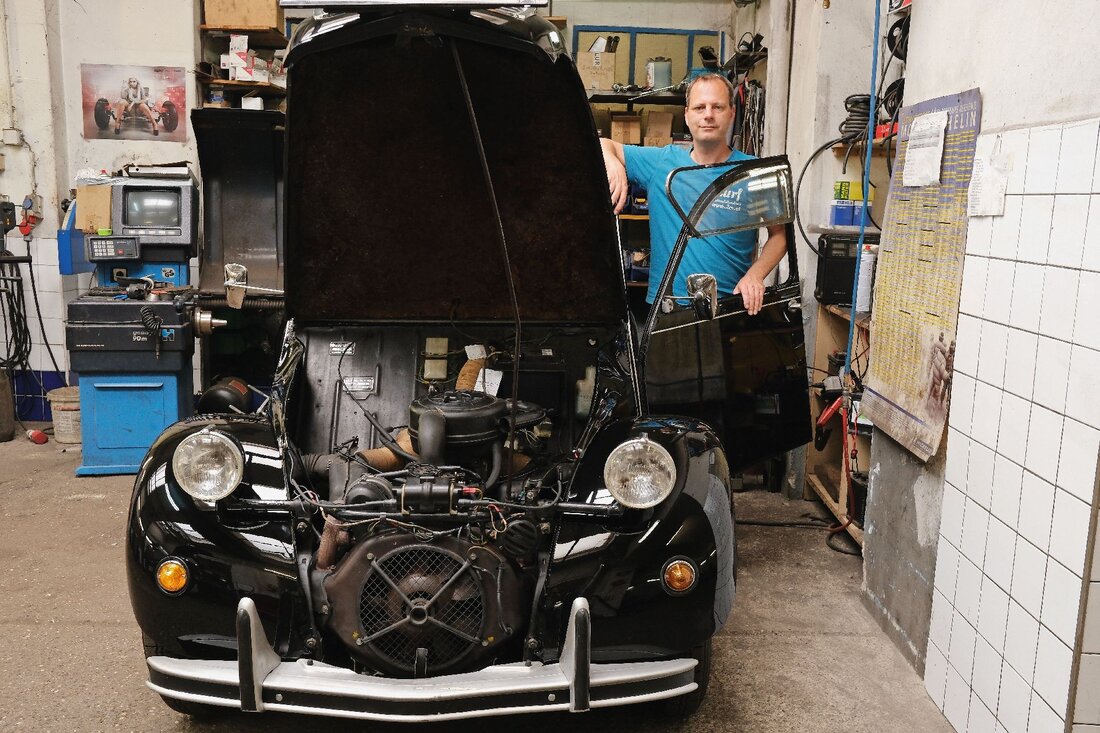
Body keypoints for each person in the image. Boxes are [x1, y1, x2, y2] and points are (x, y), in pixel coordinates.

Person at [600, 73, 786, 315]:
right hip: (666, 308)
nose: (708, 115)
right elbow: (604, 143)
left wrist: (755, 276)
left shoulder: (756, 171)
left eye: (717, 107)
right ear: (687, 114)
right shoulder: (662, 163)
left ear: (731, 112)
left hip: (730, 305)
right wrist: (613, 163)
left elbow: (779, 236)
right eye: (700, 107)